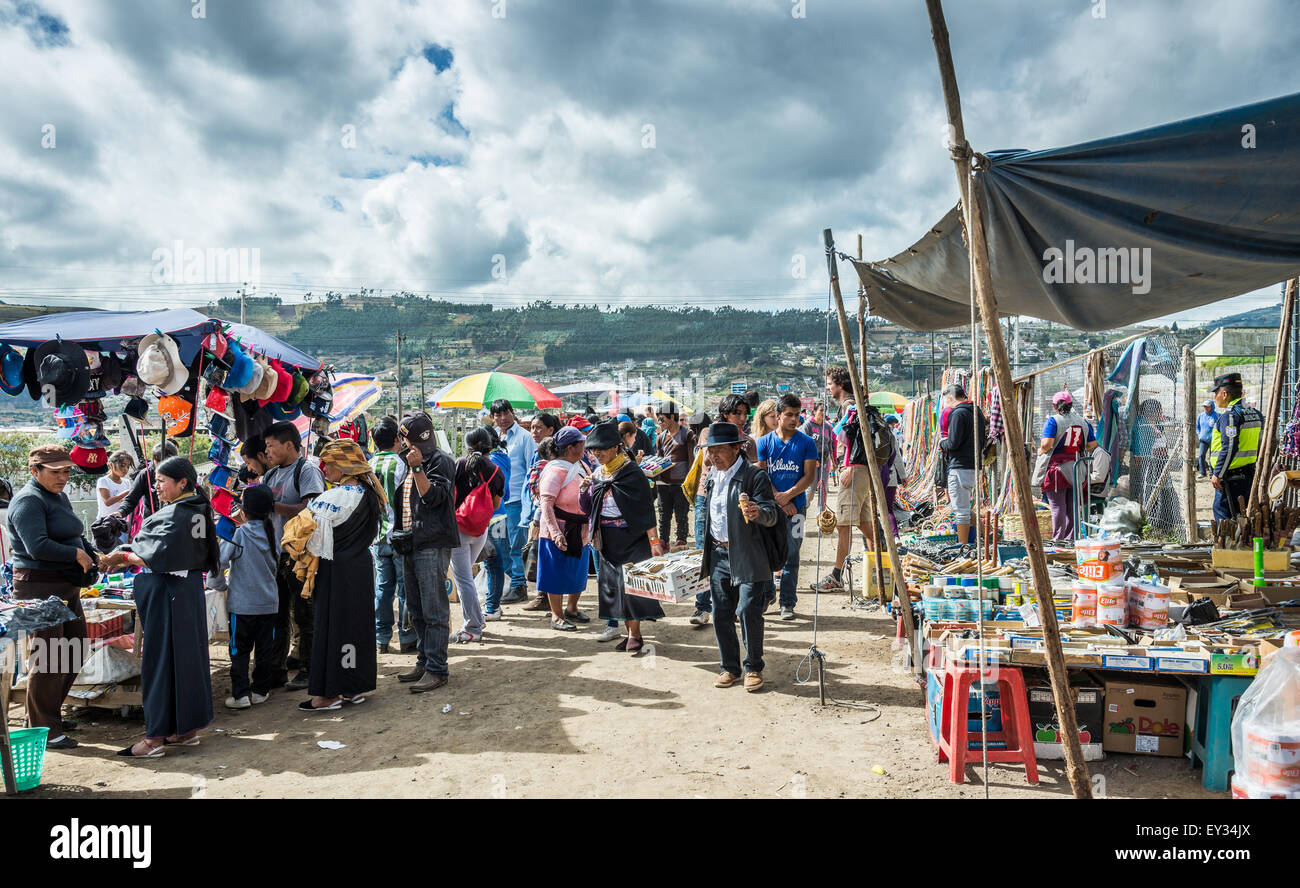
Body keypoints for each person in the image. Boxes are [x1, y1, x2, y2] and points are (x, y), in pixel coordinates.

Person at [103, 457, 219, 757]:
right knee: (185, 661)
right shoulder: (196, 509)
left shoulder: (183, 512)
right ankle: (185, 730)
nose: (155, 486)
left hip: (170, 596)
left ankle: (156, 737)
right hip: (185, 594)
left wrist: (124, 556)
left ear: (182, 482)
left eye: (161, 480)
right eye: (155, 479)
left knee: (161, 663)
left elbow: (161, 555)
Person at [6, 445, 93, 749]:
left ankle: (47, 715)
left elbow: (73, 532)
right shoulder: (28, 501)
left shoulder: (58, 496)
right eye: (55, 471)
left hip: (64, 585)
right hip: (39, 587)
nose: (63, 477)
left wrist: (90, 552)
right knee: (48, 657)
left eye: (66, 470)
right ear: (35, 470)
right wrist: (75, 553)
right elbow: (37, 546)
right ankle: (45, 727)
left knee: (75, 648)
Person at [299, 439, 385, 711]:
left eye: (330, 464)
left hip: (335, 572)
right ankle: (354, 687)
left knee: (333, 628)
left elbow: (311, 540)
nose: (324, 469)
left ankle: (329, 694)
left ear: (344, 465)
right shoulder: (371, 494)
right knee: (356, 627)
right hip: (360, 570)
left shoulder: (330, 500)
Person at [699, 422, 779, 692]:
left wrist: (758, 512)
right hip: (719, 553)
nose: (713, 457)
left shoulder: (753, 476)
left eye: (719, 450)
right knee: (720, 613)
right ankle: (729, 667)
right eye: (711, 451)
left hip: (749, 553)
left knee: (748, 610)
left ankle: (754, 666)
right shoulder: (712, 476)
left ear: (737, 448)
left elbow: (770, 511)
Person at [582, 421, 664, 649]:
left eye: (601, 449)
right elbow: (590, 506)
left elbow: (646, 509)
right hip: (606, 539)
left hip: (632, 538)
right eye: (593, 450)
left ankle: (635, 635)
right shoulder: (598, 473)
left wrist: (654, 541)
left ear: (615, 447)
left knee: (632, 588)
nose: (596, 453)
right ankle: (630, 633)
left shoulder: (632, 473)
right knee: (615, 588)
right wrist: (585, 491)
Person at [393, 412, 459, 693]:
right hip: (412, 542)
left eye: (405, 438)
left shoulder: (439, 461)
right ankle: (424, 661)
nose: (403, 443)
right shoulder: (410, 460)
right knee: (416, 608)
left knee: (433, 609)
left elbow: (433, 498)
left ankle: (437, 669)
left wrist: (418, 469)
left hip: (432, 542)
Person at [261, 420, 326, 691]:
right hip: (275, 556)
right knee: (276, 615)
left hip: (301, 557)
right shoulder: (271, 475)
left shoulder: (307, 470)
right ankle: (276, 670)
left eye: (271, 445)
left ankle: (310, 670)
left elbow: (312, 509)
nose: (267, 451)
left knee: (304, 615)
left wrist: (274, 506)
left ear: (289, 445)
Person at [683, 395, 755, 625]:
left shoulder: (747, 440)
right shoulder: (708, 433)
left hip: (738, 498)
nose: (742, 418)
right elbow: (708, 461)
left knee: (735, 549)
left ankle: (731, 604)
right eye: (737, 413)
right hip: (708, 498)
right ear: (725, 414)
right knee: (705, 551)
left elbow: (754, 467)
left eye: (745, 413)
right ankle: (702, 606)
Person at [755, 393, 819, 620]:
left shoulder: (807, 443)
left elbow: (809, 476)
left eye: (797, 414)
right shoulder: (763, 442)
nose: (794, 419)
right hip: (770, 509)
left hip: (798, 509)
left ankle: (788, 603)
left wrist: (790, 497)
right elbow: (761, 473)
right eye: (788, 415)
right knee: (766, 554)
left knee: (792, 554)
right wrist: (777, 499)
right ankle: (767, 595)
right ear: (778, 416)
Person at [812, 367, 876, 592]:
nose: (828, 387)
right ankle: (880, 568)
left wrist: (848, 466)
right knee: (865, 524)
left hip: (854, 469)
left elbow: (856, 440)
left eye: (829, 383)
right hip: (860, 471)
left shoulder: (849, 406)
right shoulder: (852, 403)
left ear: (839, 383)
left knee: (844, 524)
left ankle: (837, 576)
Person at [219, 484, 278, 709]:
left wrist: (217, 585)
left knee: (239, 650)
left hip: (242, 606)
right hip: (269, 605)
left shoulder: (240, 533)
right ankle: (261, 690)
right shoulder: (273, 532)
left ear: (243, 512)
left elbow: (221, 561)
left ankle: (241, 695)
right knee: (265, 649)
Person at [448, 427, 505, 643]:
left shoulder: (459, 465)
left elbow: (448, 493)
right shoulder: (496, 471)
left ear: (467, 445)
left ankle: (472, 627)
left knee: (463, 579)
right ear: (490, 445)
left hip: (458, 528)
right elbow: (497, 504)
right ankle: (477, 618)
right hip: (480, 530)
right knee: (466, 579)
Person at [369, 416, 416, 654]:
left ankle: (381, 638)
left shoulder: (367, 467)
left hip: (377, 537)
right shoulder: (402, 465)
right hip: (400, 536)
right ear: (398, 439)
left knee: (382, 591)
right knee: (405, 590)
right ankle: (407, 637)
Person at [537, 426, 592, 630]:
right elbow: (546, 504)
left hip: (580, 529)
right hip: (557, 529)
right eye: (581, 444)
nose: (584, 448)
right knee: (556, 572)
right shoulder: (554, 470)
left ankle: (572, 608)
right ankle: (557, 615)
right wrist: (556, 533)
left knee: (577, 571)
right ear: (570, 448)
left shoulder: (582, 466)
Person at [488, 399, 537, 604]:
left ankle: (519, 585)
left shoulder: (525, 437)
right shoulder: (492, 438)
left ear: (512, 413)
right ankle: (511, 583)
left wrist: (531, 503)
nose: (502, 418)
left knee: (516, 545)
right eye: (497, 415)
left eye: (505, 413)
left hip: (516, 500)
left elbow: (531, 469)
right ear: (492, 418)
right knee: (501, 545)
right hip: (497, 504)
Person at [1033, 391, 1098, 544]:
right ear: (1070, 405)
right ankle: (1071, 540)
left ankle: (1058, 540)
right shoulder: (1083, 422)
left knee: (1057, 507)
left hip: (1057, 471)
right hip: (1076, 469)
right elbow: (1093, 445)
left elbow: (1046, 444)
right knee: (1072, 507)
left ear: (1055, 407)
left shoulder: (1053, 421)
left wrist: (1041, 451)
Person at [520, 412, 564, 612]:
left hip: (547, 514)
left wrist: (537, 519)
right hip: (538, 511)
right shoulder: (538, 453)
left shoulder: (551, 456)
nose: (534, 432)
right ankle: (544, 596)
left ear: (550, 430)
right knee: (539, 555)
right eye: (532, 428)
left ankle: (545, 598)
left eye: (538, 428)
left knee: (542, 555)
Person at [1208, 372, 1262, 521]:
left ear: (1224, 394)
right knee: (1243, 517)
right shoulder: (1255, 414)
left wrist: (1218, 473)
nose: (1215, 398)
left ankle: (1224, 545)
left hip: (1230, 478)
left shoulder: (1230, 416)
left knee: (1224, 518)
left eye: (1216, 393)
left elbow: (1230, 446)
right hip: (1248, 474)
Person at [938, 383, 987, 546]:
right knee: (963, 506)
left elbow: (953, 443)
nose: (944, 404)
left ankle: (962, 545)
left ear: (950, 398)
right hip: (973, 465)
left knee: (960, 511)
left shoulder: (958, 413)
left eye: (945, 400)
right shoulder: (977, 412)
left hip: (959, 466)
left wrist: (942, 443)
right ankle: (988, 535)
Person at [480, 426, 512, 619]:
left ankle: (492, 606)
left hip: (492, 518)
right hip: (499, 516)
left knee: (493, 562)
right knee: (494, 562)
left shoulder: (491, 462)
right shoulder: (501, 457)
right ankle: (493, 603)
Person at [654, 404, 696, 550]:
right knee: (663, 516)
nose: (660, 422)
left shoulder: (687, 434)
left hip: (681, 483)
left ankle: (681, 543)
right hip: (663, 483)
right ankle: (663, 543)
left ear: (672, 417)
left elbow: (692, 460)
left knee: (681, 515)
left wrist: (690, 482)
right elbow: (658, 459)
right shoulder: (660, 437)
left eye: (661, 418)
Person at [117, 440, 178, 531]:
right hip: (151, 525)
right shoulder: (145, 475)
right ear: (154, 460)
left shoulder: (180, 474)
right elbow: (131, 499)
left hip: (174, 524)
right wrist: (120, 513)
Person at [95, 451, 134, 520]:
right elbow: (107, 502)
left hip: (122, 522)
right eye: (122, 465)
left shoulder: (126, 482)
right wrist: (129, 491)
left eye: (128, 466)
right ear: (111, 465)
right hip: (105, 522)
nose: (126, 469)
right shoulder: (103, 481)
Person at [1197, 399, 1218, 478]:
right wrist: (1199, 434)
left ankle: (1212, 473)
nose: (1205, 408)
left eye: (1207, 406)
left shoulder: (1217, 415)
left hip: (1214, 440)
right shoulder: (1200, 416)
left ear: (1211, 406)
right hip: (1203, 439)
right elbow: (1197, 427)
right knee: (1201, 455)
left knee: (1213, 456)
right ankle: (1202, 472)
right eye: (1204, 406)